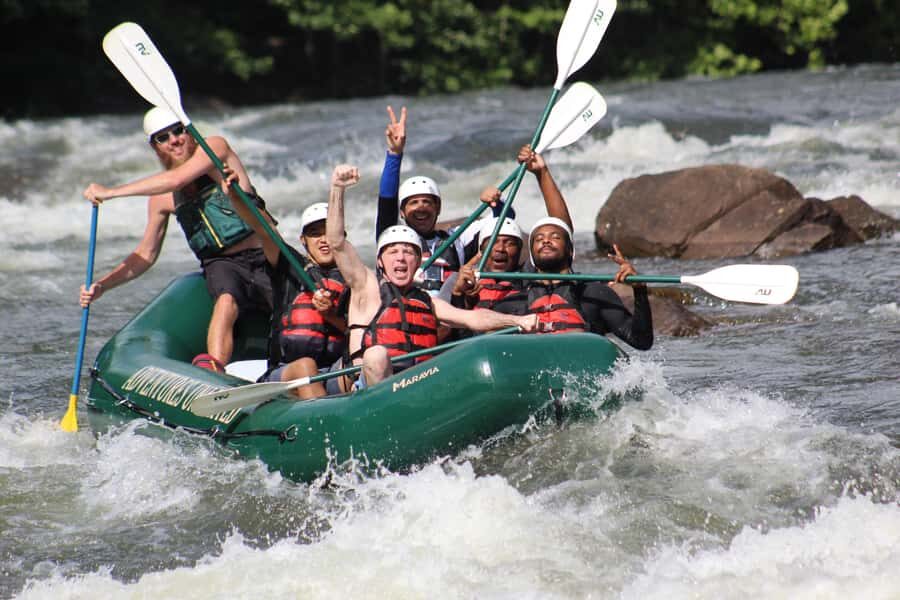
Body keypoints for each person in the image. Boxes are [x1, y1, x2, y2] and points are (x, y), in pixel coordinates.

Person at [80, 107, 273, 371]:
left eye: (178, 130)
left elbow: (176, 179)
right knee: (226, 299)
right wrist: (102, 285)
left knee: (301, 306)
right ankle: (215, 370)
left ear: (189, 131)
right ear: (155, 146)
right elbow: (146, 255)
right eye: (163, 137)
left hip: (265, 251)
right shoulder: (160, 199)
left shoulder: (215, 149)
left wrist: (112, 192)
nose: (174, 140)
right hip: (222, 264)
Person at [325, 164, 539, 388]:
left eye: (408, 252)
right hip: (376, 386)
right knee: (376, 355)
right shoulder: (367, 287)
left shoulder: (428, 302)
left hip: (419, 384)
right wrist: (337, 188)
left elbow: (474, 318)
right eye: (393, 252)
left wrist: (518, 321)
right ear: (380, 261)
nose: (400, 258)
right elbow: (337, 243)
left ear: (418, 262)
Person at [221, 163, 349, 398]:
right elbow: (263, 227)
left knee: (362, 365)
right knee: (306, 366)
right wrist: (236, 195)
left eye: (329, 232)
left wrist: (332, 316)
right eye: (315, 233)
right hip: (287, 373)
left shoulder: (354, 277)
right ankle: (326, 425)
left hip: (332, 370)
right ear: (303, 240)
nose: (323, 240)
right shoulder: (289, 265)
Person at [374, 106, 515, 293]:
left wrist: (496, 202)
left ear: (438, 208)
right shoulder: (392, 236)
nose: (421, 207)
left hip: (448, 314)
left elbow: (504, 222)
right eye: (413, 202)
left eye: (427, 202)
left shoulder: (457, 238)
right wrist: (394, 154)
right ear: (402, 211)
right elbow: (386, 201)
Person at [492, 217, 654, 350]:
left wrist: (640, 291)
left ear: (570, 250)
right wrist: (466, 298)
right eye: (539, 239)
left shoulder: (594, 294)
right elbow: (477, 343)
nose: (546, 241)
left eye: (555, 237)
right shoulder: (514, 302)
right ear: (533, 254)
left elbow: (641, 341)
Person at [452, 144, 575, 309]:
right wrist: (460, 294)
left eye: (509, 243)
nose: (500, 249)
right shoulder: (462, 280)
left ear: (520, 251)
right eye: (493, 242)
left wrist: (542, 173)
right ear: (481, 250)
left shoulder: (527, 278)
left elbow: (562, 229)